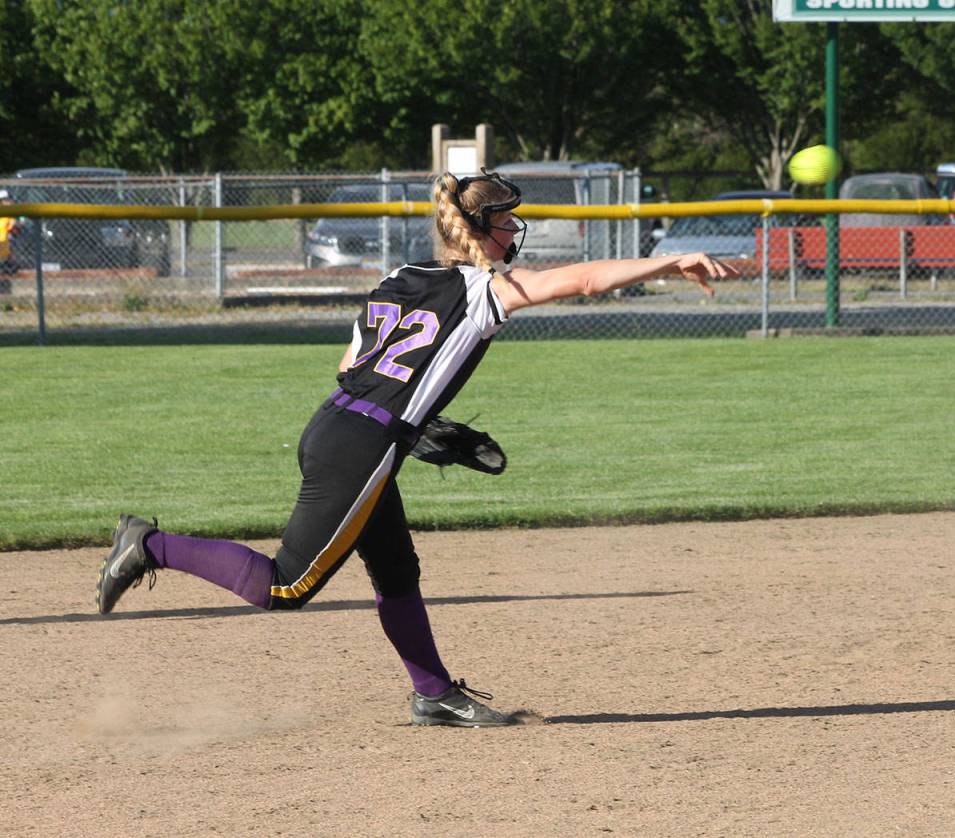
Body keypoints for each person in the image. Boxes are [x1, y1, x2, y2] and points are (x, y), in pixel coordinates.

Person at [95, 169, 736, 727]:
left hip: (337, 425)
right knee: (287, 585)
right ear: (481, 227)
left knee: (397, 570)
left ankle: (433, 693)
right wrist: (669, 261)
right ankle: (148, 545)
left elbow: (351, 366)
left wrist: (418, 423)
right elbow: (587, 280)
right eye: (507, 220)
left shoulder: (398, 278)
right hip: (366, 446)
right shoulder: (483, 292)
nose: (515, 231)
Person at [0, 189, 22, 283]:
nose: (9, 202)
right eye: (5, 200)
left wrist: (16, 226)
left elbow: (14, 229)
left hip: (6, 239)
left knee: (9, 241)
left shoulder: (11, 214)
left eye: (9, 200)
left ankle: (9, 265)